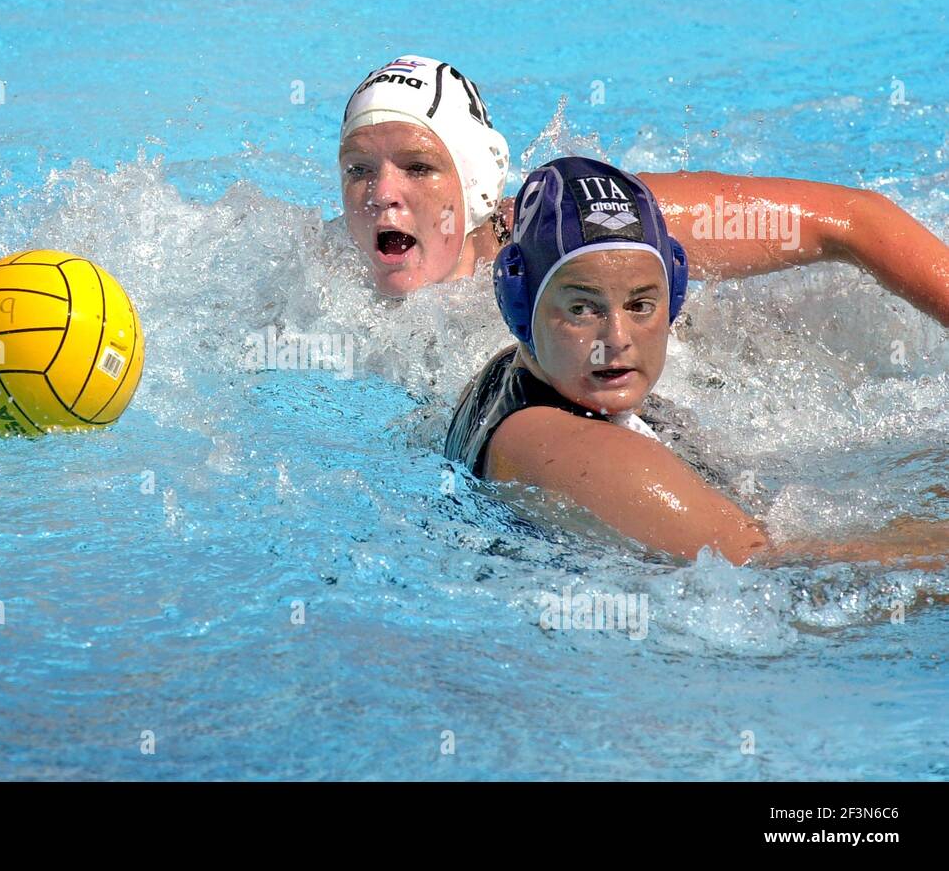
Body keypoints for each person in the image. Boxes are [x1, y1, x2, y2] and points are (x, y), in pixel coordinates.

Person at [444, 155, 949, 567]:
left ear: (674, 298)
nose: (616, 339)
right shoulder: (575, 451)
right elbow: (781, 568)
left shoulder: (526, 379)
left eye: (641, 305)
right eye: (582, 308)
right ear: (518, 304)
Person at [339, 55, 949, 327]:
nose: (380, 194)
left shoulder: (581, 219)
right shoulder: (319, 282)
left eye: (418, 167)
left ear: (473, 184)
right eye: (359, 169)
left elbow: (855, 218)